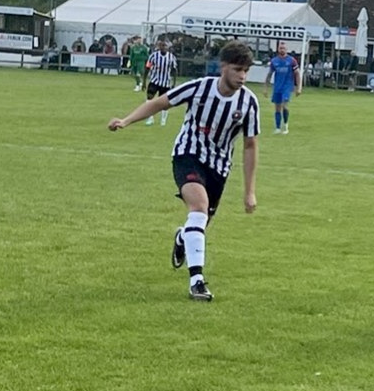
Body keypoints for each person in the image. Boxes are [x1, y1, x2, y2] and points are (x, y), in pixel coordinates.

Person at [107, 40, 260, 301]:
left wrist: (249, 192)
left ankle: (182, 237)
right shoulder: (200, 87)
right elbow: (160, 103)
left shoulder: (249, 103)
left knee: (199, 222)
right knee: (199, 208)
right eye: (237, 69)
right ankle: (197, 281)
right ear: (223, 67)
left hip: (219, 168)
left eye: (246, 70)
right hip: (187, 155)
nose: (242, 76)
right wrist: (126, 120)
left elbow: (250, 145)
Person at [264, 41, 301, 134]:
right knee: (277, 108)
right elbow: (269, 75)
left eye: (283, 48)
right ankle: (277, 127)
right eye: (280, 48)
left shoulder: (292, 60)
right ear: (278, 49)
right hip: (277, 87)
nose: (282, 49)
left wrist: (299, 87)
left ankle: (285, 125)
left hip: (287, 87)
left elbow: (297, 74)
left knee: (284, 105)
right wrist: (265, 88)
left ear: (286, 49)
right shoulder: (274, 61)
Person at [145, 39, 177, 126]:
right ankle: (150, 118)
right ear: (159, 47)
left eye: (165, 46)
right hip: (154, 81)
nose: (163, 47)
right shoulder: (153, 56)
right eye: (162, 46)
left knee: (165, 103)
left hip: (165, 83)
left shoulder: (171, 57)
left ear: (168, 47)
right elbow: (147, 68)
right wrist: (144, 82)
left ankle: (163, 120)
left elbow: (174, 70)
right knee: (149, 99)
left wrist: (174, 83)